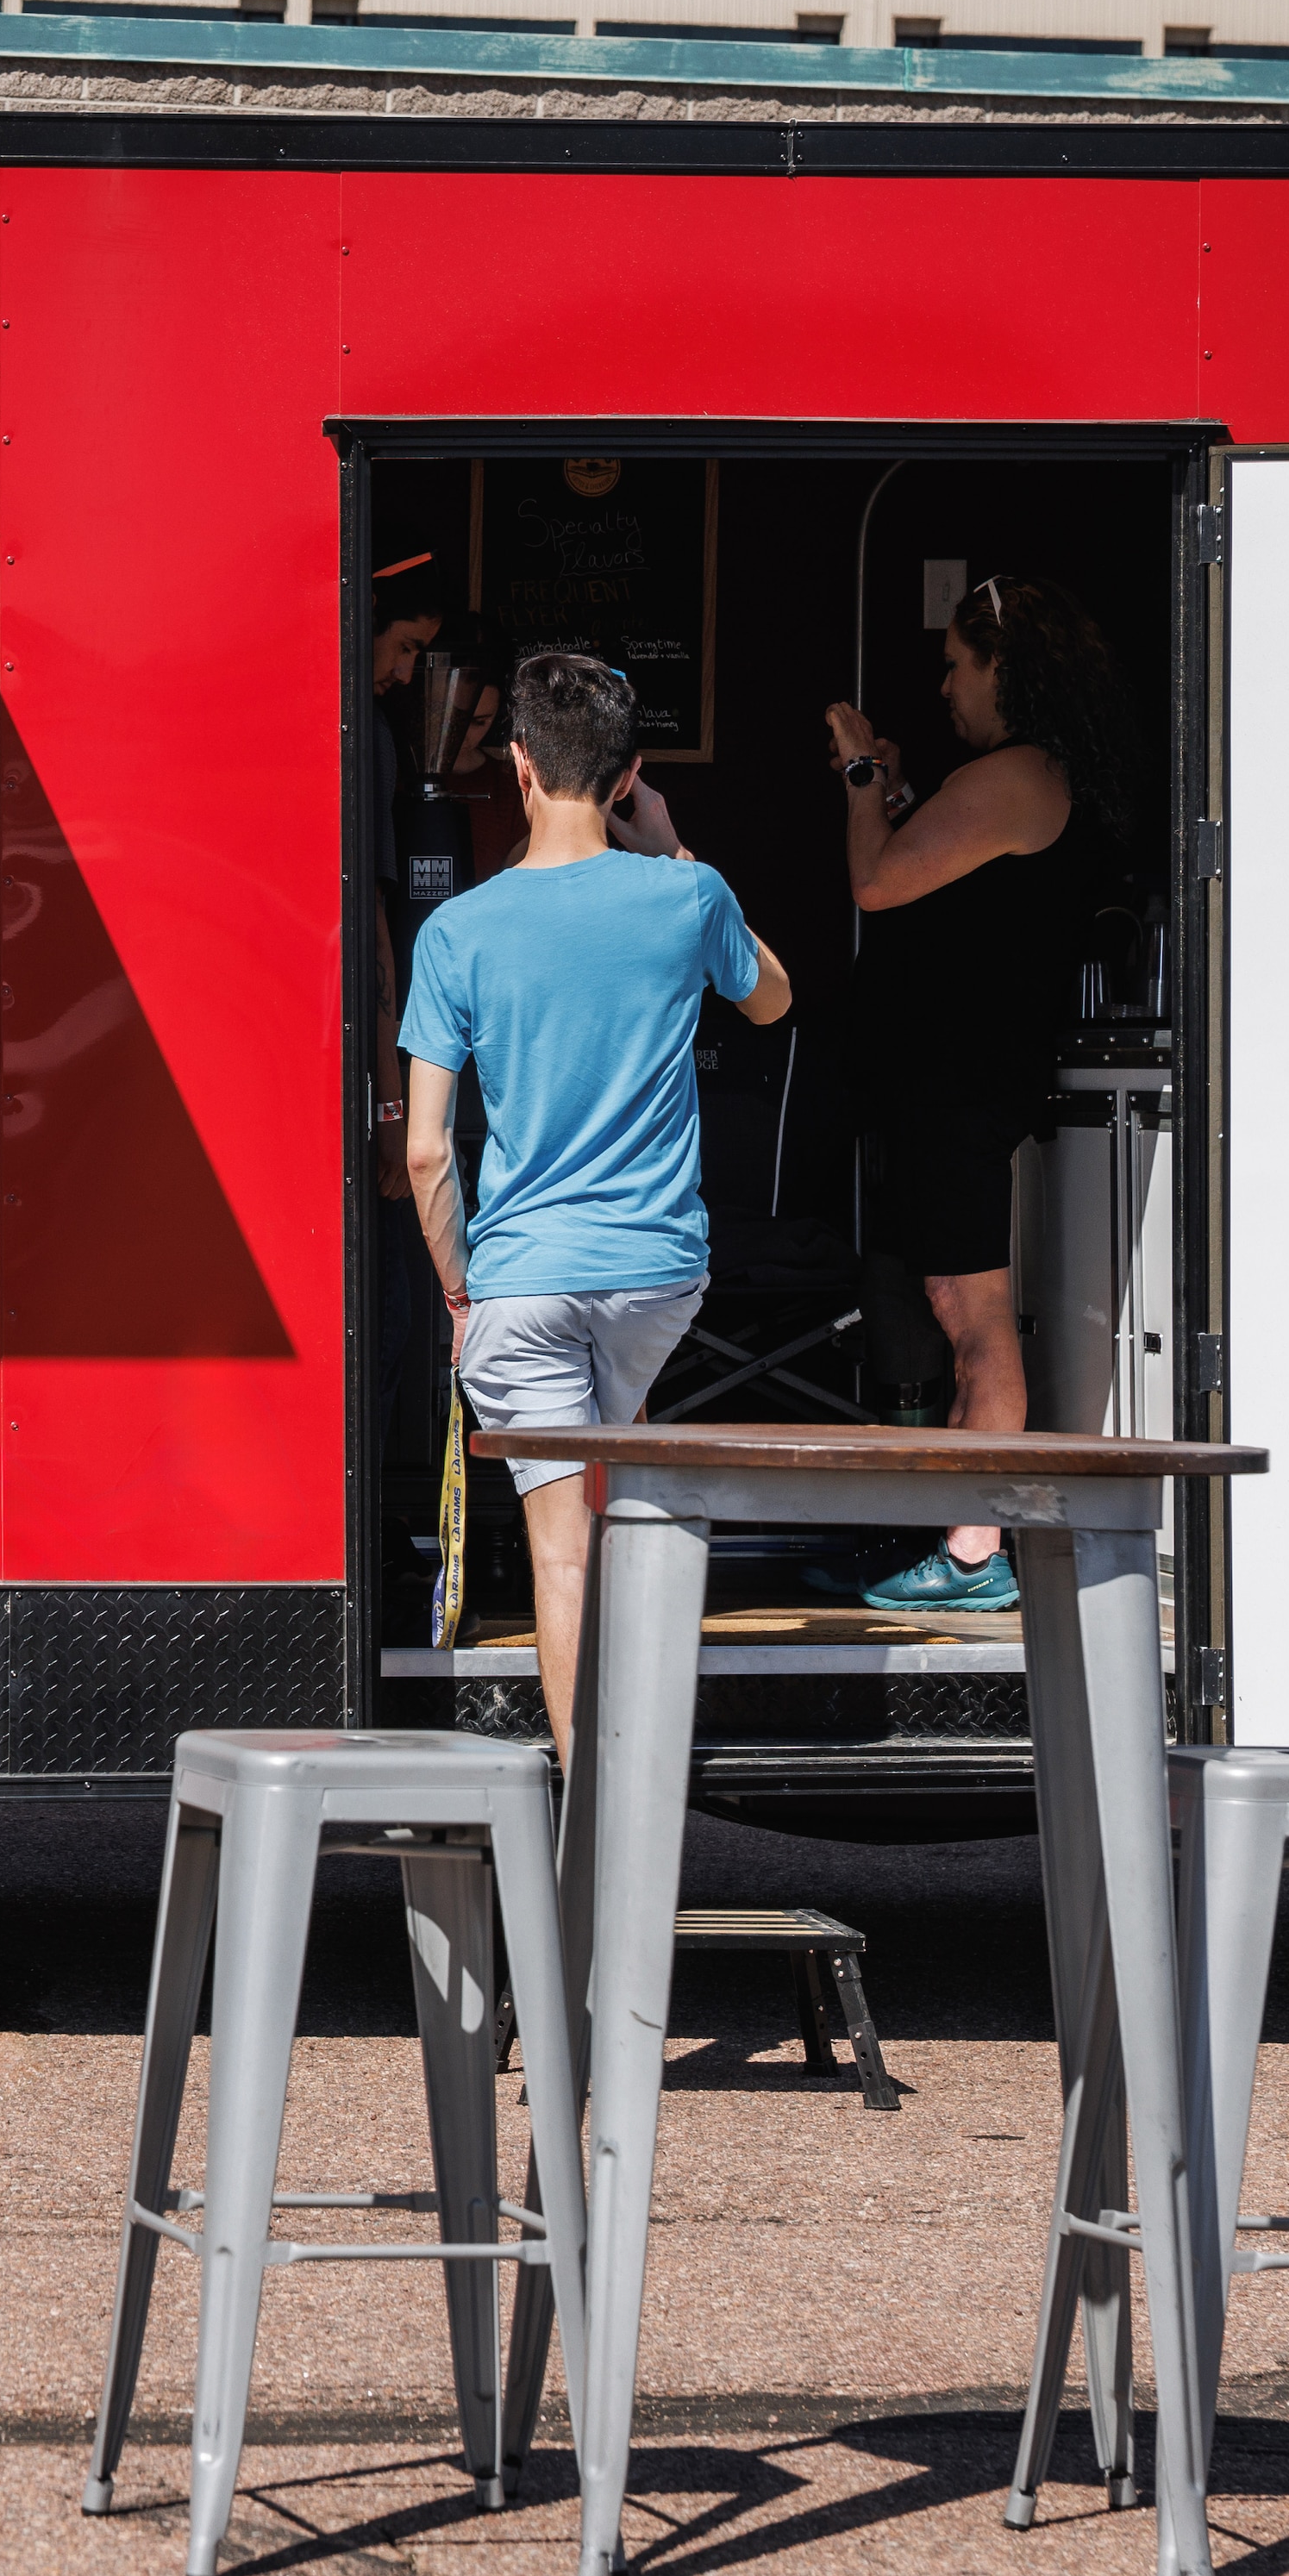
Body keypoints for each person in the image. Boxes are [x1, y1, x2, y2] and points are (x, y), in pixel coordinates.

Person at [401, 652, 792, 1759]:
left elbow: (429, 1149)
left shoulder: (458, 931)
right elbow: (771, 996)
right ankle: (626, 1775)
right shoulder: (685, 892)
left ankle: (592, 1823)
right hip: (653, 1275)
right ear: (628, 776)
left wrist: (457, 1289)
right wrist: (668, 843)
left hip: (521, 1280)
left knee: (560, 1549)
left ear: (516, 765)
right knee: (605, 1519)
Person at [822, 573, 1125, 1610]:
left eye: (957, 664)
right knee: (948, 1308)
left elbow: (876, 882)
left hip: (960, 1085)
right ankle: (954, 1535)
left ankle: (971, 1552)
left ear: (1006, 666)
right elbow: (927, 871)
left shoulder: (1013, 775)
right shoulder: (1013, 779)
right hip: (942, 1082)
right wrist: (894, 796)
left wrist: (860, 772)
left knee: (976, 1317)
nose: (946, 686)